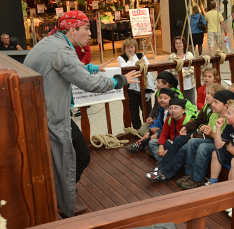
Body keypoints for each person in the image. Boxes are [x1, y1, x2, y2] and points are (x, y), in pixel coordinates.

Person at [23, 10, 141, 217]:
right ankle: (63, 206)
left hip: (44, 113)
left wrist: (93, 67)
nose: (90, 34)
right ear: (72, 29)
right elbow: (88, 83)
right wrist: (120, 81)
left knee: (69, 158)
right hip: (53, 117)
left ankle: (62, 193)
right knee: (71, 159)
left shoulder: (50, 43)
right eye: (86, 28)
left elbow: (69, 69)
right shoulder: (63, 51)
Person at [126, 88, 178, 154]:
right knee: (145, 132)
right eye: (160, 97)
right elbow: (158, 122)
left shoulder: (173, 113)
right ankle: (146, 145)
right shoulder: (162, 110)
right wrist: (149, 132)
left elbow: (170, 129)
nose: (162, 100)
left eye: (165, 98)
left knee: (153, 140)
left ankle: (142, 144)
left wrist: (158, 130)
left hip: (171, 137)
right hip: (163, 132)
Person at [118, 38, 155, 129]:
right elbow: (125, 69)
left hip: (143, 87)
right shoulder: (121, 58)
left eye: (132, 47)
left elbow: (147, 67)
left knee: (147, 110)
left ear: (135, 47)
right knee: (134, 112)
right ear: (124, 48)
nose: (130, 49)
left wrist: (134, 65)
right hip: (130, 90)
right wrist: (131, 59)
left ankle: (147, 129)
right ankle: (137, 131)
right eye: (127, 48)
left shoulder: (141, 55)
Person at [146, 98, 192, 169]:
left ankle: (170, 162)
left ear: (183, 110)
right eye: (170, 108)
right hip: (170, 142)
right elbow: (164, 133)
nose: (173, 110)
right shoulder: (169, 119)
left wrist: (171, 151)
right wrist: (161, 147)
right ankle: (163, 161)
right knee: (152, 143)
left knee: (183, 150)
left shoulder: (188, 122)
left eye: (176, 108)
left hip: (179, 147)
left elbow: (185, 142)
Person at [168, 36, 196, 104]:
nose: (178, 45)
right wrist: (184, 72)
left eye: (180, 43)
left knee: (190, 103)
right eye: (176, 43)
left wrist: (180, 74)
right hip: (177, 86)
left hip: (189, 85)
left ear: (184, 44)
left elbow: (192, 69)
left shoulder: (189, 55)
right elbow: (170, 70)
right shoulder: (171, 56)